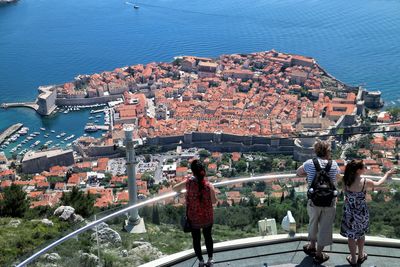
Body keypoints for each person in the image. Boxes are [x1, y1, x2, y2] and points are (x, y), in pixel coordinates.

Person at [340, 160, 395, 266]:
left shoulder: (345, 180)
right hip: (361, 213)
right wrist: (387, 174)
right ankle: (360, 255)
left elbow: (345, 193)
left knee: (351, 236)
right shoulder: (365, 181)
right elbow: (378, 183)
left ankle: (353, 260)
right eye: (363, 167)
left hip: (349, 212)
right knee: (360, 235)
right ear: (358, 170)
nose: (365, 168)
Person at [296, 140, 341, 264]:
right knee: (325, 227)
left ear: (316, 151)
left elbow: (298, 172)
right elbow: (337, 178)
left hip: (314, 201)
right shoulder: (334, 165)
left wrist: (309, 175)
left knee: (313, 223)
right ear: (327, 152)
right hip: (330, 201)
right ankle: (319, 254)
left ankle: (311, 246)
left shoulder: (310, 163)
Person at [173, 159, 218, 267]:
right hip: (207, 217)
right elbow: (214, 201)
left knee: (196, 239)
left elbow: (175, 188)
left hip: (194, 218)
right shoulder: (209, 186)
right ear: (204, 171)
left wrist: (182, 193)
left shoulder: (188, 183)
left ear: (193, 172)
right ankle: (210, 260)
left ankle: (201, 261)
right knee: (208, 237)